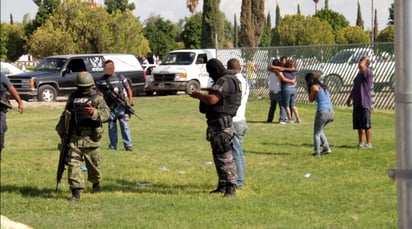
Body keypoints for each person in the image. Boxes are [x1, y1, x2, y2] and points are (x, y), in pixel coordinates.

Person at [190, 58, 241, 197]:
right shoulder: (229, 79)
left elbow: (213, 99)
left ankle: (230, 187)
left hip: (222, 124)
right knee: (218, 155)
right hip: (216, 123)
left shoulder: (225, 80)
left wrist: (198, 95)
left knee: (225, 156)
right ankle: (222, 184)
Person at [56, 71, 110, 201]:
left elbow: (107, 114)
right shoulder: (73, 98)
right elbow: (66, 114)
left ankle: (96, 184)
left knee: (94, 167)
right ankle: (76, 192)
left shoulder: (98, 98)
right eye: (81, 87)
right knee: (72, 163)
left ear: (91, 85)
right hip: (75, 138)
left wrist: (95, 112)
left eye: (85, 87)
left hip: (91, 138)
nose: (83, 90)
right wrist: (61, 129)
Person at [96, 60, 135, 151]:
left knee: (124, 125)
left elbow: (128, 88)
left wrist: (131, 99)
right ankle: (113, 145)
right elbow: (97, 92)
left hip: (121, 105)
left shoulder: (121, 77)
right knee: (112, 126)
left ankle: (128, 145)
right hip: (109, 107)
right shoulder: (101, 80)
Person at [227, 58, 249, 189]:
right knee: (239, 152)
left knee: (236, 153)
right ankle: (239, 180)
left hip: (235, 120)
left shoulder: (233, 82)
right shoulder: (245, 81)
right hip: (242, 119)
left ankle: (239, 182)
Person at [345, 56, 374, 148]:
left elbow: (361, 65)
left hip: (364, 102)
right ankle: (361, 142)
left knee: (366, 125)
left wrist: (366, 58)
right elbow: (355, 87)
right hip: (357, 102)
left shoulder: (368, 72)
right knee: (359, 126)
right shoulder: (359, 74)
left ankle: (369, 143)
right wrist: (350, 98)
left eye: (361, 62)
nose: (359, 63)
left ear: (366, 64)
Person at [305, 73, 334, 156]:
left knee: (316, 133)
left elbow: (310, 99)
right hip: (330, 111)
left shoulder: (314, 87)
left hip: (322, 111)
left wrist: (309, 88)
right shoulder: (324, 87)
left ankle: (317, 152)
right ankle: (326, 148)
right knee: (319, 130)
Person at [0, 72, 24, 161]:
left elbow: (11, 89)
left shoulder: (1, 77)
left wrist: (20, 103)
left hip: (0, 109)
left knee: (1, 129)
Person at [266, 59, 295, 124]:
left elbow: (269, 68)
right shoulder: (278, 72)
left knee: (272, 107)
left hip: (271, 91)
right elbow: (283, 79)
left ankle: (269, 119)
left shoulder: (271, 72)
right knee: (282, 105)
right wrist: (291, 81)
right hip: (277, 91)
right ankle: (282, 119)